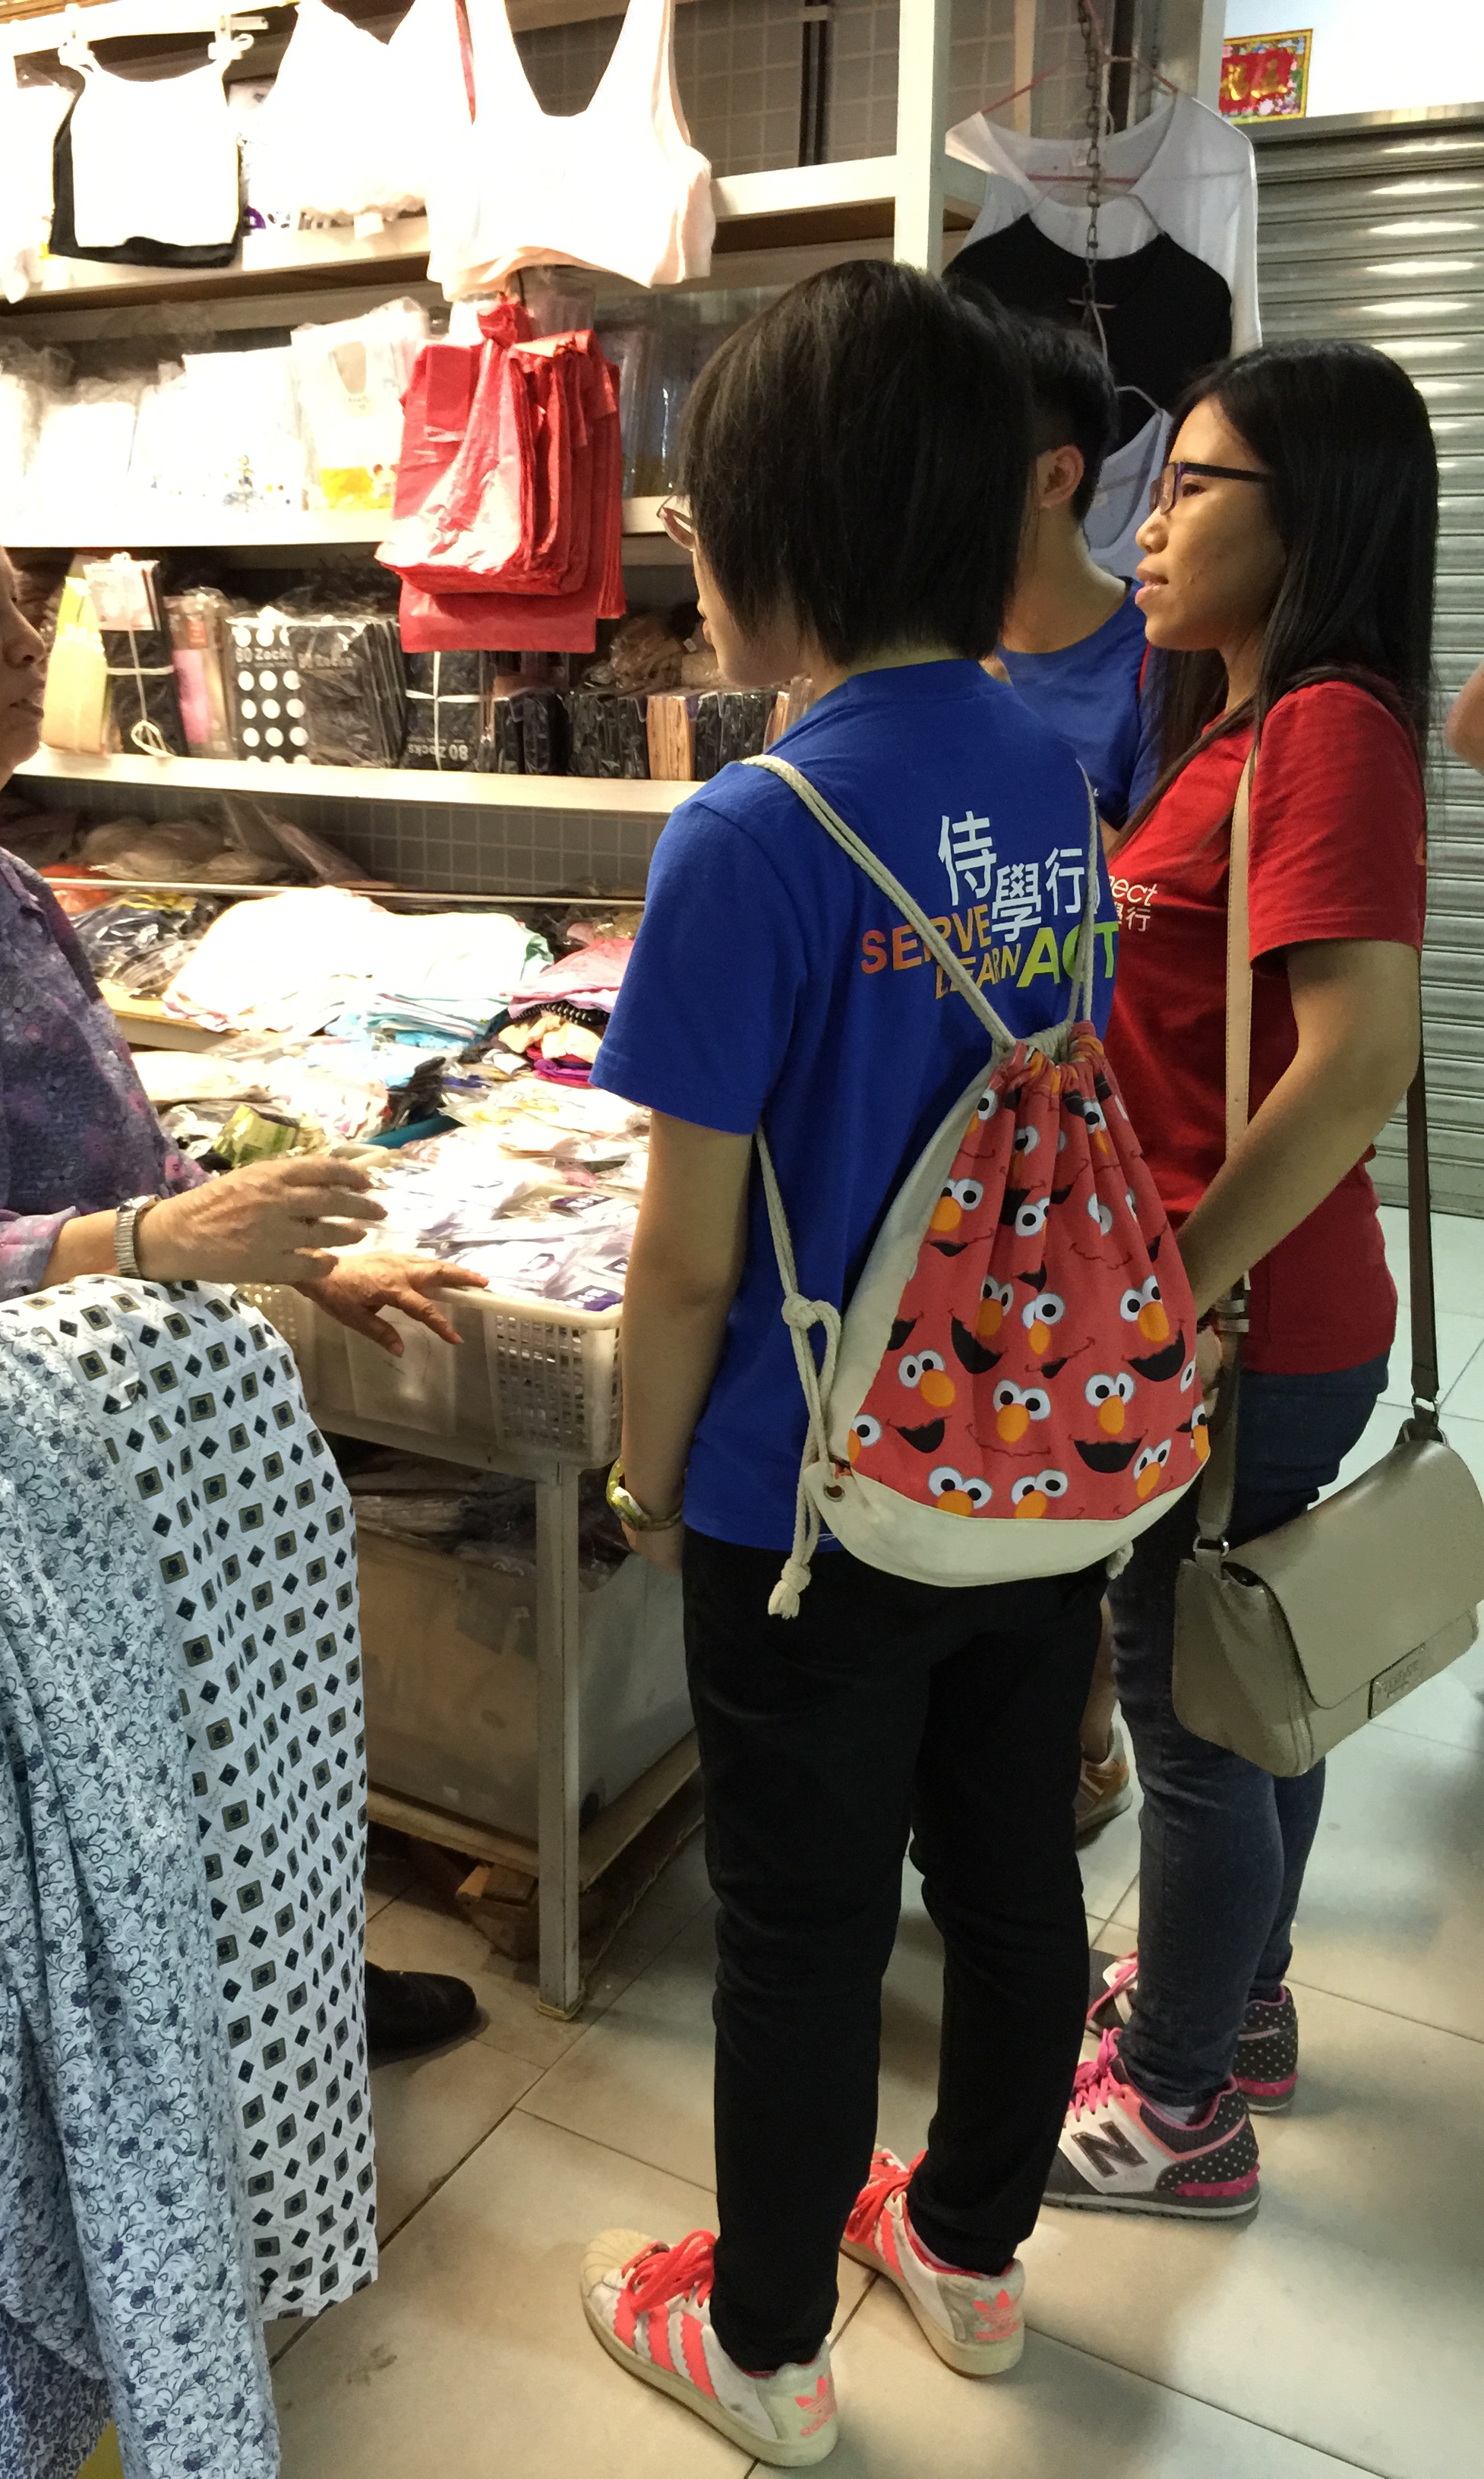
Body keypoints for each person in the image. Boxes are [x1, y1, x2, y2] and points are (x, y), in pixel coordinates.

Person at [0, 459, 479, 2064]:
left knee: (243, 1753)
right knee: (148, 1804)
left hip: (130, 1417)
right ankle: (235, 2066)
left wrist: (285, 1254)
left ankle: (295, 2009)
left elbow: (116, 1144)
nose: (29, 637)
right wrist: (157, 1240)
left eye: (22, 603)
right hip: (16, 1470)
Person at [576, 262, 1116, 2467]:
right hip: (1035, 1444)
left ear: (779, 526)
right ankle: (972, 2259)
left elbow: (684, 1265)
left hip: (806, 1496)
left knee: (798, 1932)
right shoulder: (1050, 765)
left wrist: (635, 1481)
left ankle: (772, 2350)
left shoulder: (747, 836)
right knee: (1008, 1864)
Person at [1049, 342, 1432, 2217]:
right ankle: (1241, 1998)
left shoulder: (1325, 731)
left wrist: (1167, 1286)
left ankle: (1179, 2106)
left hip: (1239, 1319)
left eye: (1194, 485)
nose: (1148, 520)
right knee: (1248, 1676)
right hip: (1242, 1310)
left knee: (1189, 1707)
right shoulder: (1236, 720)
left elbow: (1359, 1052)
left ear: (1310, 521)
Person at [993, 317, 1162, 1841]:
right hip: (928, 1136)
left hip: (1085, 1149)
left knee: (1070, 1465)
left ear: (1055, 473)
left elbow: (1163, 937)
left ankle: (1084, 1738)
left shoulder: (1146, 671)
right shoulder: (928, 647)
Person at [995, 317, 1160, 835]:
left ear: (1056, 477)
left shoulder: (1164, 658)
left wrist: (1006, 743)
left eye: (958, 462)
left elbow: (1147, 893)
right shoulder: (920, 641)